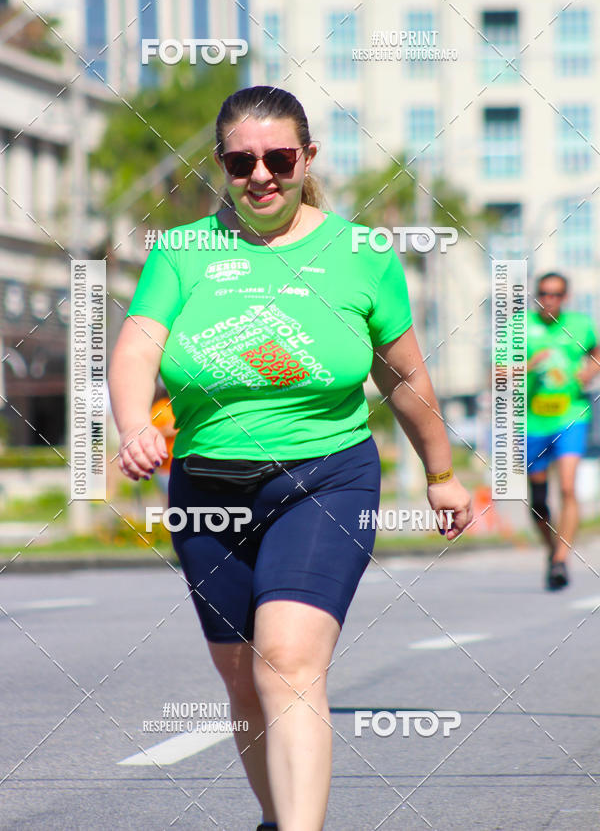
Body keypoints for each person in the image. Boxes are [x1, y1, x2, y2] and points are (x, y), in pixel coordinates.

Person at [108, 85, 473, 831]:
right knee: (244, 680)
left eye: (278, 158)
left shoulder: (362, 255)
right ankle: (279, 820)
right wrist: (134, 423)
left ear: (308, 158)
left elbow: (405, 378)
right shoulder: (181, 251)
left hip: (326, 478)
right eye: (241, 162)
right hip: (207, 487)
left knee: (287, 661)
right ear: (221, 165)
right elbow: (138, 347)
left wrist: (441, 475)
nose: (261, 175)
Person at [526, 272, 600, 590]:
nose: (549, 300)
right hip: (531, 423)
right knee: (538, 503)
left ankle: (560, 559)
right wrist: (528, 365)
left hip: (571, 416)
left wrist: (590, 371)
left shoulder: (580, 325)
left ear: (565, 297)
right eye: (544, 293)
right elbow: (496, 372)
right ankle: (552, 549)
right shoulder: (519, 328)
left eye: (556, 294)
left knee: (568, 487)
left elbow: (596, 352)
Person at [150, 393, 177, 495]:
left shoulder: (181, 406)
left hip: (184, 464)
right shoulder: (161, 408)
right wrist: (168, 430)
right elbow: (150, 431)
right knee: (169, 498)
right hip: (165, 468)